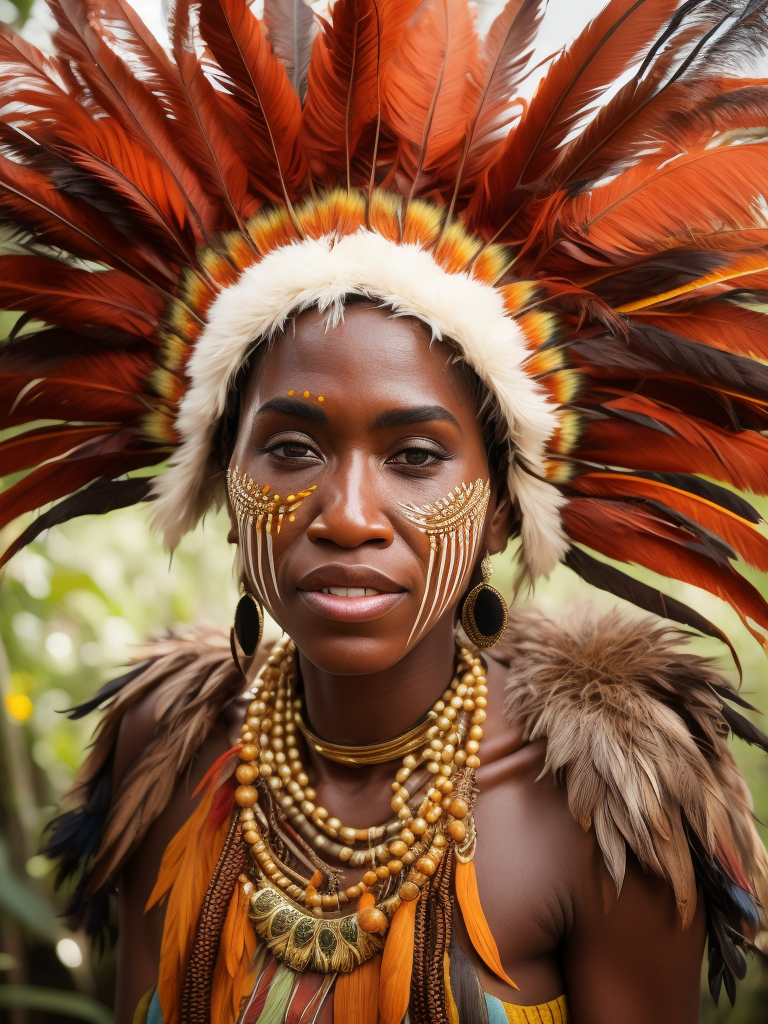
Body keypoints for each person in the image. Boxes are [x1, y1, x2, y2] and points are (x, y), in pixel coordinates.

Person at [2, 0, 768, 1021]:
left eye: (414, 455)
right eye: (289, 448)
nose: (348, 514)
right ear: (221, 488)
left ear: (502, 510)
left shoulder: (598, 811)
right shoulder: (163, 748)